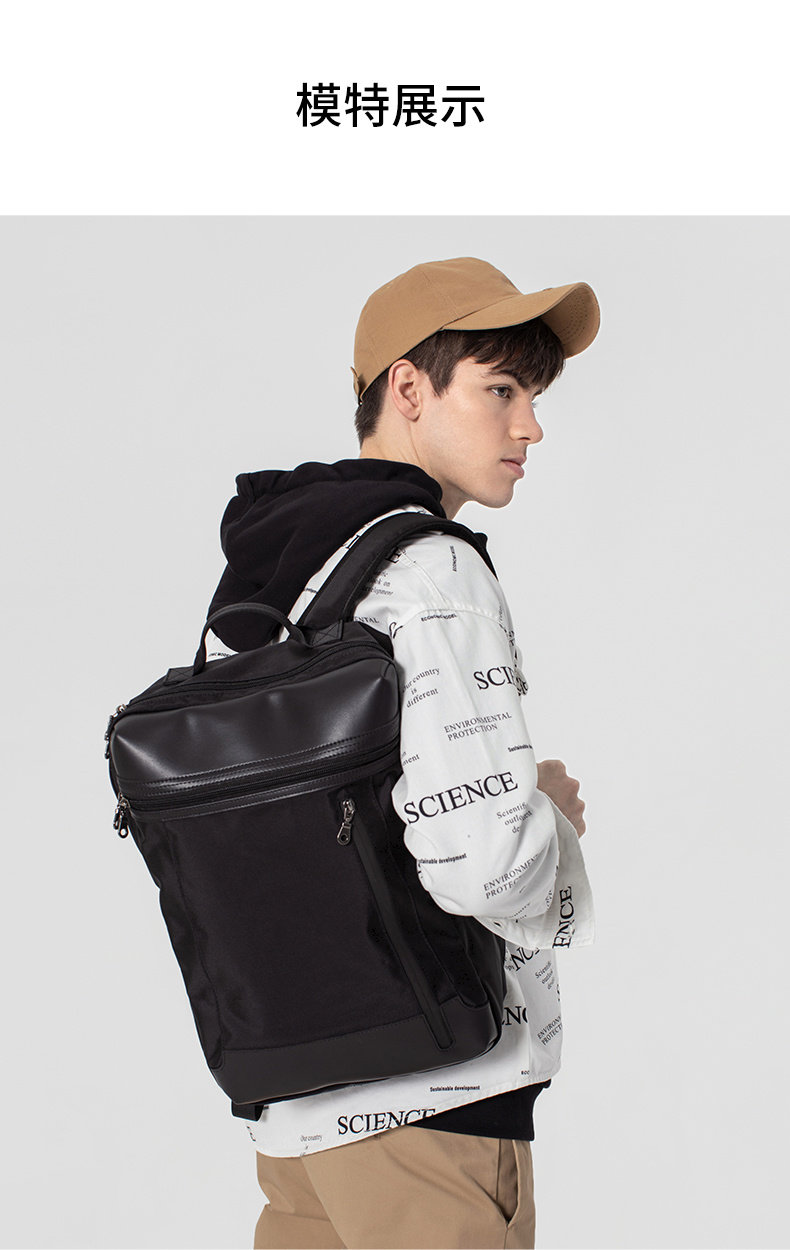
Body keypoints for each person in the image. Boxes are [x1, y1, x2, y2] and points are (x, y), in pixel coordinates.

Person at [204, 256, 599, 1249]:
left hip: (296, 1102)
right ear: (409, 389)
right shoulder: (434, 571)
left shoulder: (270, 580)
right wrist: (547, 815)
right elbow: (486, 867)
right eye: (501, 391)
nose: (530, 427)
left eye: (535, 397)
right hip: (436, 1103)